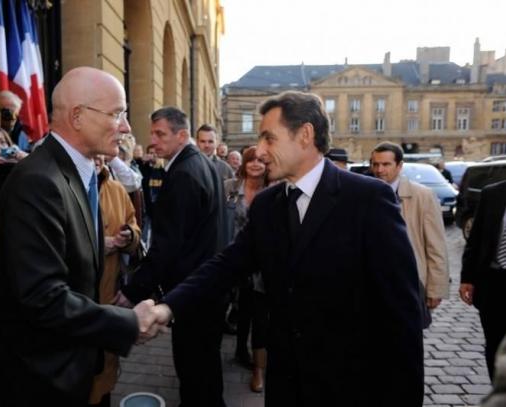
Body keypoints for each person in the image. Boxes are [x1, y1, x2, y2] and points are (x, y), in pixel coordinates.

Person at [149, 91, 423, 406]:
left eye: (269, 139)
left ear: (305, 135)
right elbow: (225, 265)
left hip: (348, 387)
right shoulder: (268, 205)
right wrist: (166, 307)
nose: (261, 151)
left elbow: (402, 315)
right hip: (285, 386)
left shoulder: (368, 200)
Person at [0, 67, 162, 407]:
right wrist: (127, 322)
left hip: (70, 368)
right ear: (77, 116)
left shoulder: (78, 173)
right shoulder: (38, 181)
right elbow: (41, 295)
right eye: (117, 113)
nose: (125, 126)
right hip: (38, 378)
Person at [115, 107, 228, 407]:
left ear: (182, 135)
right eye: (152, 133)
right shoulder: (201, 164)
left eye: (160, 134)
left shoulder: (184, 174)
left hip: (193, 291)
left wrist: (132, 290)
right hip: (208, 286)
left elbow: (167, 245)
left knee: (193, 369)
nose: (153, 140)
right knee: (206, 366)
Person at [371, 141, 449, 323]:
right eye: (375, 164)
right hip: (373, 281)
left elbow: (436, 245)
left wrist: (435, 289)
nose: (380, 170)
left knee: (409, 340)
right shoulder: (363, 193)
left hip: (411, 281)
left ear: (399, 166)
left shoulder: (423, 195)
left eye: (386, 164)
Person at [89, 155, 141, 407]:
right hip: (77, 297)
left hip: (108, 291)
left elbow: (133, 223)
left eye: (102, 155)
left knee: (106, 366)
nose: (97, 159)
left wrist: (129, 235)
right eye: (92, 153)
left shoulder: (116, 188)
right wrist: (100, 245)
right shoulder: (65, 186)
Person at [224, 146, 269, 392]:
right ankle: (241, 349)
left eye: (261, 161)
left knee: (260, 313)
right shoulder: (230, 187)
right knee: (240, 309)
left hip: (262, 265)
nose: (255, 165)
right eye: (251, 160)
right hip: (233, 259)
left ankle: (258, 367)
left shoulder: (273, 190)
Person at [460, 180, 506, 380]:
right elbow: (476, 239)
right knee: (495, 343)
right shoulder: (492, 193)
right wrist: (467, 278)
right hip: (494, 283)